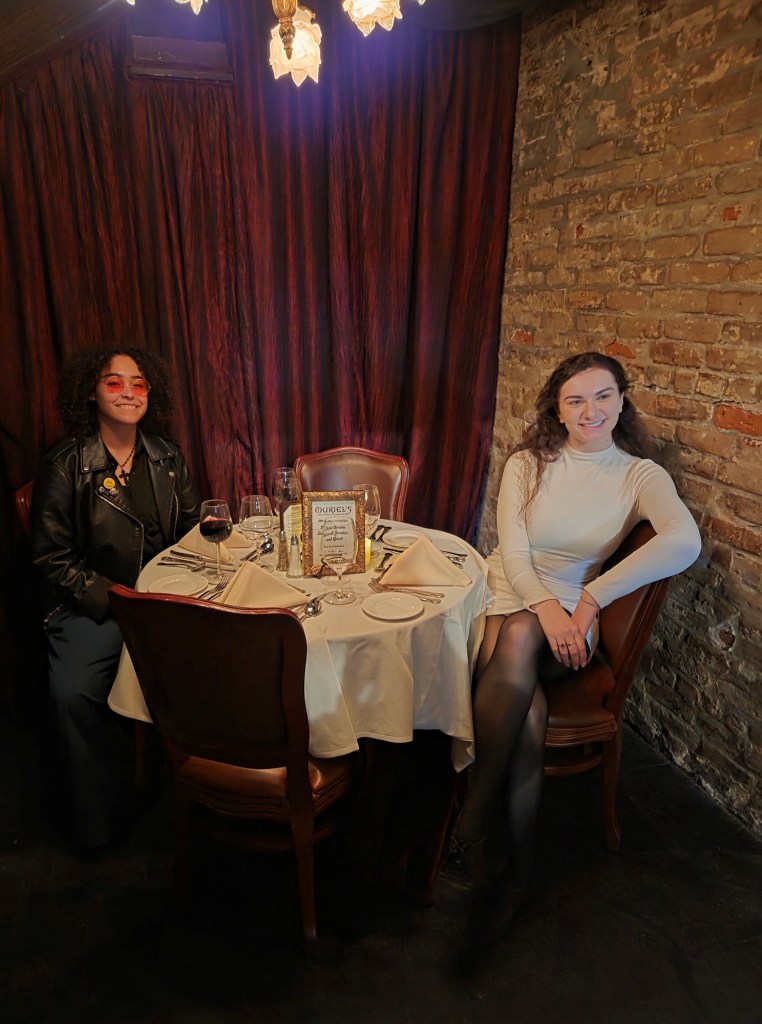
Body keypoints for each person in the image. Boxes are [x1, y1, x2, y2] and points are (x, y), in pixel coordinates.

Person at [447, 350, 701, 908]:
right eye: (576, 400)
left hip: (571, 618)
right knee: (529, 706)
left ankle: (472, 817)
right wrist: (543, 605)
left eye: (603, 396)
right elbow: (513, 555)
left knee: (518, 641)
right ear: (558, 411)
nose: (591, 411)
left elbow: (685, 542)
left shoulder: (639, 476)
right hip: (506, 592)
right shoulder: (528, 463)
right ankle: (516, 851)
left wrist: (589, 599)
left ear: (621, 401)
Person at [31, 347, 200, 852]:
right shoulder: (65, 465)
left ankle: (202, 799)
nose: (129, 391)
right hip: (94, 607)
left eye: (139, 383)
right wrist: (118, 600)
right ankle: (101, 820)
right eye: (114, 382)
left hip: (164, 604)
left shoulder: (168, 457)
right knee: (73, 691)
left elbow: (193, 532)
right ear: (91, 391)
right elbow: (51, 558)